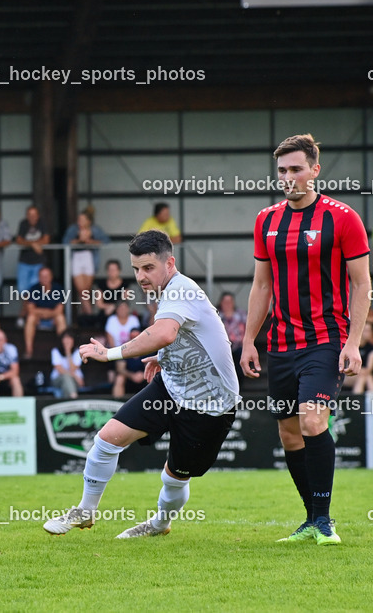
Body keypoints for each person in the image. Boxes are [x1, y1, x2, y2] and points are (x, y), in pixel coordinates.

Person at [45, 230, 239, 539]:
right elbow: (186, 334)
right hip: (171, 387)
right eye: (135, 268)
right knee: (107, 439)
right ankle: (85, 510)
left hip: (210, 405)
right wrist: (162, 357)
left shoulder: (181, 290)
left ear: (169, 263)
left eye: (148, 268)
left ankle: (160, 524)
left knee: (175, 478)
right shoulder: (166, 291)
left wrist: (108, 353)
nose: (140, 276)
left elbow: (165, 332)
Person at [241, 134, 370, 546]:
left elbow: (362, 283)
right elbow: (261, 286)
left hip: (326, 340)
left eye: (296, 169)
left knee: (313, 420)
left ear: (315, 169)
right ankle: (312, 518)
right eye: (282, 170)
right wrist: (248, 341)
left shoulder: (343, 217)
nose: (288, 177)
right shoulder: (267, 220)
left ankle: (324, 520)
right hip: (280, 343)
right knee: (290, 433)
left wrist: (353, 342)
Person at [62, 209, 110, 315]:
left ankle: (85, 317)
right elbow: (65, 242)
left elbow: (106, 241)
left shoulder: (95, 229)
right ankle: (91, 315)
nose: (80, 222)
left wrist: (90, 241)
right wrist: (79, 240)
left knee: (86, 290)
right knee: (81, 291)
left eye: (83, 220)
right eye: (79, 219)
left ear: (89, 221)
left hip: (89, 257)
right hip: (76, 258)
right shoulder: (73, 229)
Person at [22, 266, 68, 359]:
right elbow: (30, 309)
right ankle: (29, 350)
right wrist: (48, 312)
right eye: (42, 276)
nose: (44, 278)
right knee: (31, 318)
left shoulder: (58, 288)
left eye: (46, 276)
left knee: (60, 318)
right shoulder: (33, 288)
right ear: (39, 278)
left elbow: (59, 310)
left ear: (51, 277)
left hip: (52, 319)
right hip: (38, 319)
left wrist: (42, 313)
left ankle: (63, 350)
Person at [15, 205, 50, 310]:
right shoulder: (23, 224)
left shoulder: (42, 224)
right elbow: (19, 240)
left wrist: (30, 243)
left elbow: (46, 240)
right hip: (24, 262)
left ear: (38, 216)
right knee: (23, 290)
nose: (32, 217)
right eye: (30, 215)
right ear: (26, 216)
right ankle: (27, 313)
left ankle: (27, 314)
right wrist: (34, 244)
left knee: (34, 290)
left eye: (34, 215)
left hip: (38, 262)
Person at [111, 328, 148, 397]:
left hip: (143, 378)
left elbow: (149, 366)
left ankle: (153, 403)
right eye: (132, 337)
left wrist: (143, 375)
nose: (134, 339)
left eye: (137, 337)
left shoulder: (148, 349)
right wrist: (132, 376)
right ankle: (117, 403)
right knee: (120, 378)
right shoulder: (123, 350)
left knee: (152, 377)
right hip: (128, 379)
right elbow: (120, 369)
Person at [94, 259, 132, 325]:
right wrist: (109, 307)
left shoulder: (125, 284)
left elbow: (125, 300)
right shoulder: (101, 284)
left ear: (119, 271)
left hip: (120, 311)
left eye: (114, 270)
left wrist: (114, 307)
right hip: (105, 312)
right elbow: (99, 303)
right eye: (110, 270)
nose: (112, 272)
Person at [345, 323, 373, 395]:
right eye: (366, 331)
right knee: (365, 377)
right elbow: (348, 367)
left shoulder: (371, 348)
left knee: (366, 377)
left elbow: (369, 369)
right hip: (348, 375)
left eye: (370, 331)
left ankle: (357, 402)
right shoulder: (351, 345)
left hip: (362, 375)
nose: (369, 333)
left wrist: (361, 371)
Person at [217, 292, 247, 370]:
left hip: (239, 346)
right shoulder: (216, 316)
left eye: (230, 302)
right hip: (222, 348)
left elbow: (246, 329)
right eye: (225, 302)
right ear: (221, 303)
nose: (228, 304)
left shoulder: (241, 314)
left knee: (239, 368)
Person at [50, 330, 83, 399]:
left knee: (66, 384)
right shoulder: (55, 351)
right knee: (66, 377)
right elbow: (60, 370)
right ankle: (74, 397)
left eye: (69, 338)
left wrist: (68, 352)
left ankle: (68, 401)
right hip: (58, 379)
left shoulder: (77, 352)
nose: (67, 340)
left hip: (74, 381)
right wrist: (76, 377)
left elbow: (73, 369)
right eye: (65, 338)